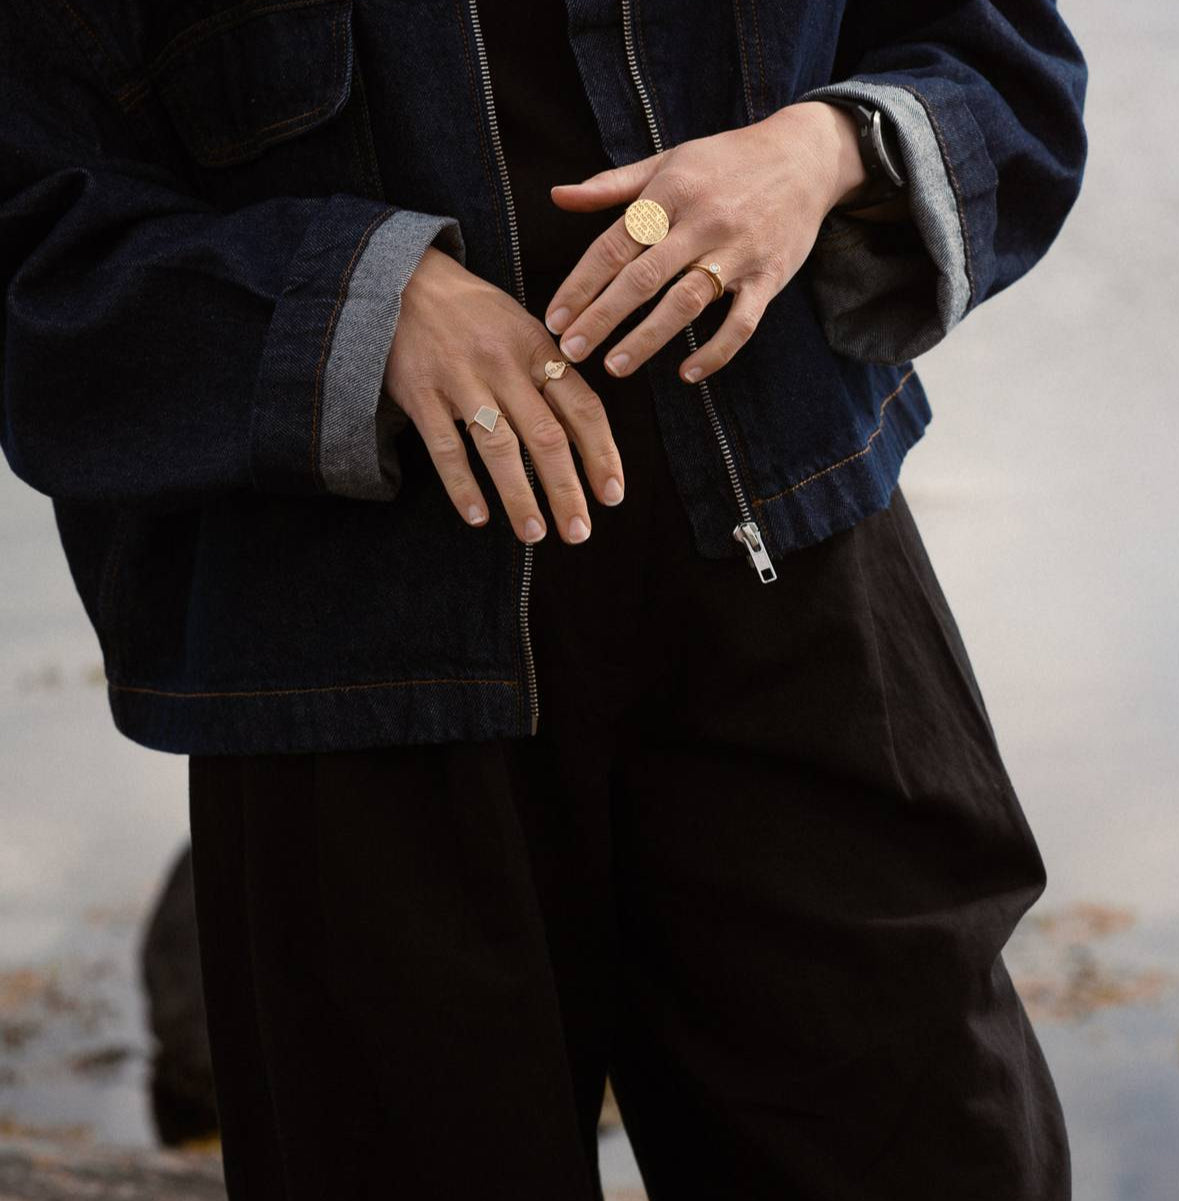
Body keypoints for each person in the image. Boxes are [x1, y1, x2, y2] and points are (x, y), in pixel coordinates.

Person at [0, 0, 1088, 1197]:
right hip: (345, 699)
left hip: (801, 599)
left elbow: (1007, 76)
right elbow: (33, 232)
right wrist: (360, 303)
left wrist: (819, 151)